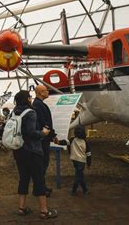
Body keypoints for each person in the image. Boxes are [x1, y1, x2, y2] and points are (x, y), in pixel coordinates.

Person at [12, 90, 57, 219]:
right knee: (39, 179)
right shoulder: (31, 113)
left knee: (24, 178)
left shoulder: (14, 112)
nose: (31, 99)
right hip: (32, 151)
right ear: (26, 99)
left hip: (18, 150)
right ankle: (44, 210)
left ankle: (21, 208)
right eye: (29, 97)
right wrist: (43, 133)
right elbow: (31, 132)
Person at [32, 85, 57, 197]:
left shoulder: (38, 104)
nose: (48, 91)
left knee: (42, 164)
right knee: (42, 164)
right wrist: (51, 134)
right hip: (42, 139)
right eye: (46, 90)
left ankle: (41, 187)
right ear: (40, 93)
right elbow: (44, 123)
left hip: (43, 138)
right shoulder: (38, 105)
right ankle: (40, 189)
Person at [58, 125, 92, 196]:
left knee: (78, 175)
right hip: (81, 161)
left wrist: (58, 142)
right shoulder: (85, 142)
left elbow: (65, 142)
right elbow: (88, 154)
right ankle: (83, 190)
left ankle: (76, 191)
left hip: (74, 160)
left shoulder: (72, 139)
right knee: (79, 175)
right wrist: (89, 164)